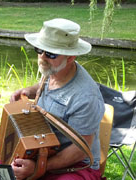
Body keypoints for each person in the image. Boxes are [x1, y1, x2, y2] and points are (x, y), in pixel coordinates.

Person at [10, 18, 105, 180]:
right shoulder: (53, 69)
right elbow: (44, 85)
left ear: (70, 57)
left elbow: (80, 150)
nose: (42, 57)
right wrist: (30, 90)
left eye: (51, 53)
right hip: (40, 149)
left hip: (74, 165)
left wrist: (38, 167)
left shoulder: (86, 97)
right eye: (39, 50)